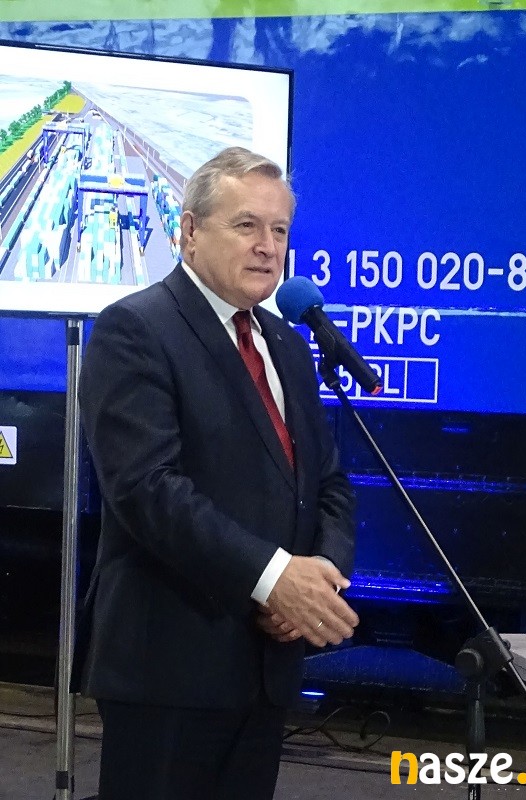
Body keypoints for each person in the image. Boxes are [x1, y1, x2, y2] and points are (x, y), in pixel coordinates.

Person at [75, 146, 359, 800]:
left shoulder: (287, 345)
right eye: (246, 225)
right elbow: (148, 491)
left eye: (279, 230)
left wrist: (315, 580)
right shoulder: (135, 330)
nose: (268, 246)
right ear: (190, 232)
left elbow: (329, 484)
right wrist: (274, 580)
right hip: (170, 667)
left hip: (264, 668)